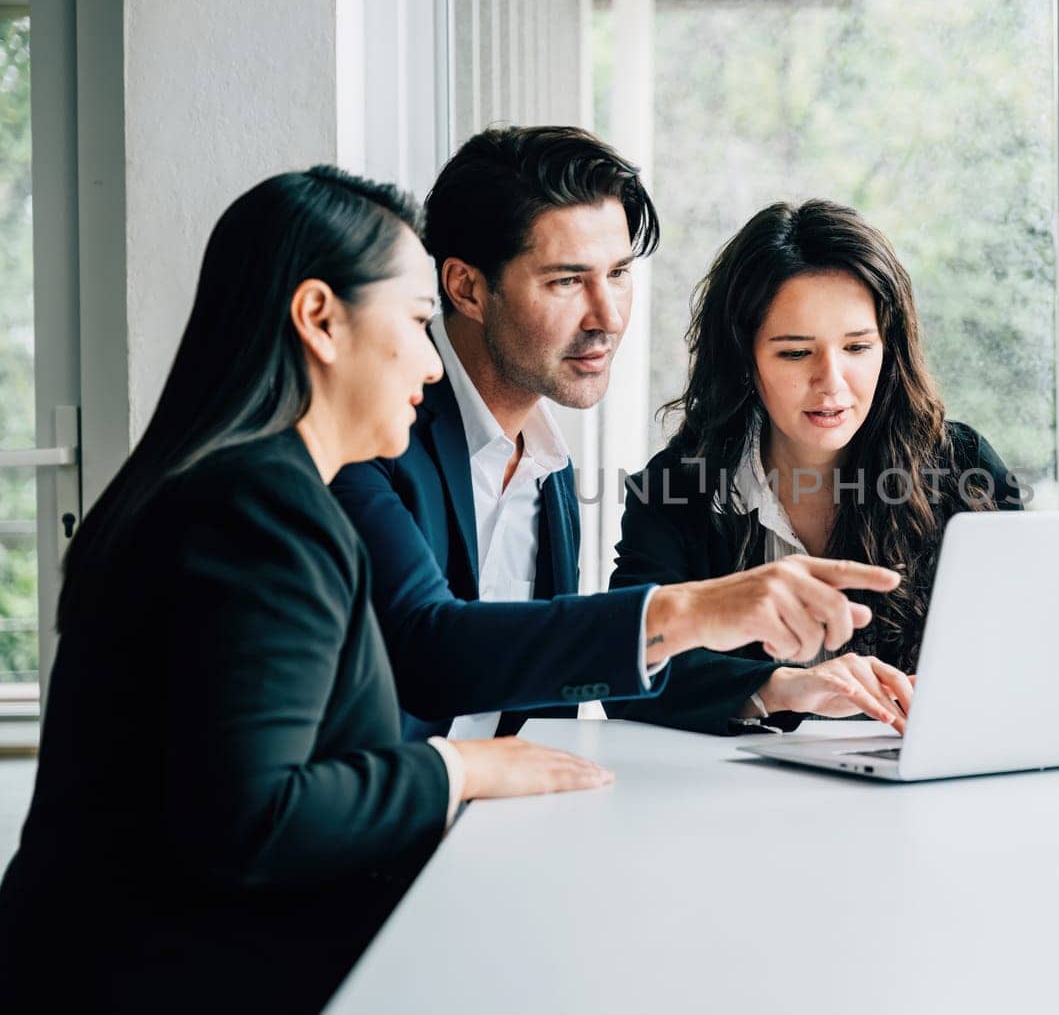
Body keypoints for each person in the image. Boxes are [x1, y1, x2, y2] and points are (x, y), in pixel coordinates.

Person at [0, 168, 620, 1010]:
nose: (434, 368)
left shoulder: (235, 485)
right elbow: (253, 818)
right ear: (320, 319)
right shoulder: (255, 509)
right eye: (415, 323)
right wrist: (460, 767)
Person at [330, 127, 902, 742]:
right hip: (385, 821)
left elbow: (544, 697)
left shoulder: (546, 466)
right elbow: (425, 649)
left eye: (620, 273)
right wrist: (697, 612)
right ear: (467, 288)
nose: (608, 317)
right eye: (567, 281)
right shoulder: (369, 433)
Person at [610, 199, 1024, 733]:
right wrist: (783, 688)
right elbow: (624, 669)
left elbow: (1027, 643)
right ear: (745, 358)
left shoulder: (964, 470)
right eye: (795, 353)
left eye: (856, 347)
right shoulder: (677, 486)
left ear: (888, 349)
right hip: (733, 796)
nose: (832, 382)